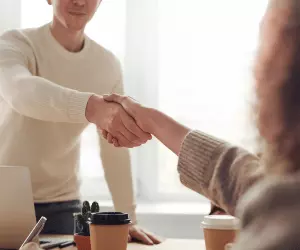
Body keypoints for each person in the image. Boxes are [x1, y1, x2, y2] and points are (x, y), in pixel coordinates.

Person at [103, 0, 300, 248]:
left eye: (264, 58)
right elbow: (246, 178)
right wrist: (153, 121)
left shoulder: (286, 220)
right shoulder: (282, 193)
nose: (256, 77)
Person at [0, 0, 161, 244]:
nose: (79, 1)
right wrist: (91, 107)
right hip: (5, 200)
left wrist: (128, 218)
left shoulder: (107, 65)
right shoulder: (15, 43)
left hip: (63, 205)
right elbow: (20, 92)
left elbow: (113, 149)